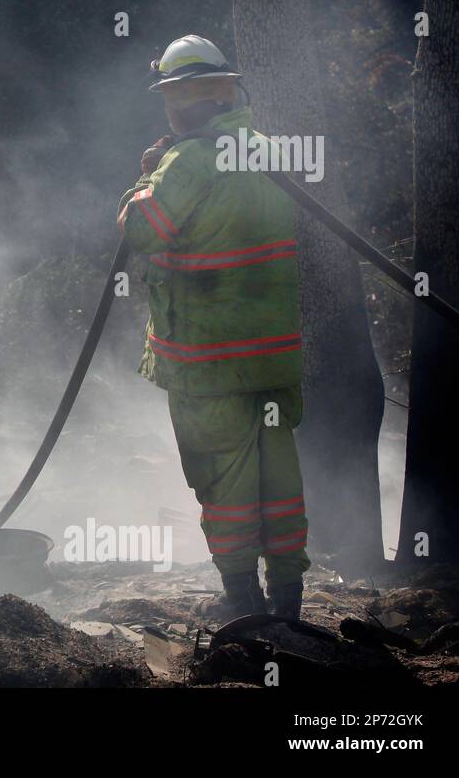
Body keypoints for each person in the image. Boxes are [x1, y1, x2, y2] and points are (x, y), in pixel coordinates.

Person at [118, 35, 308, 620]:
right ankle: (289, 605)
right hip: (272, 359)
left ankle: (244, 603)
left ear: (177, 99)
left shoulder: (187, 162)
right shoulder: (269, 151)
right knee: (279, 479)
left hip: (208, 364)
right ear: (229, 90)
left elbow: (140, 230)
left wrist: (143, 183)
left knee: (221, 482)